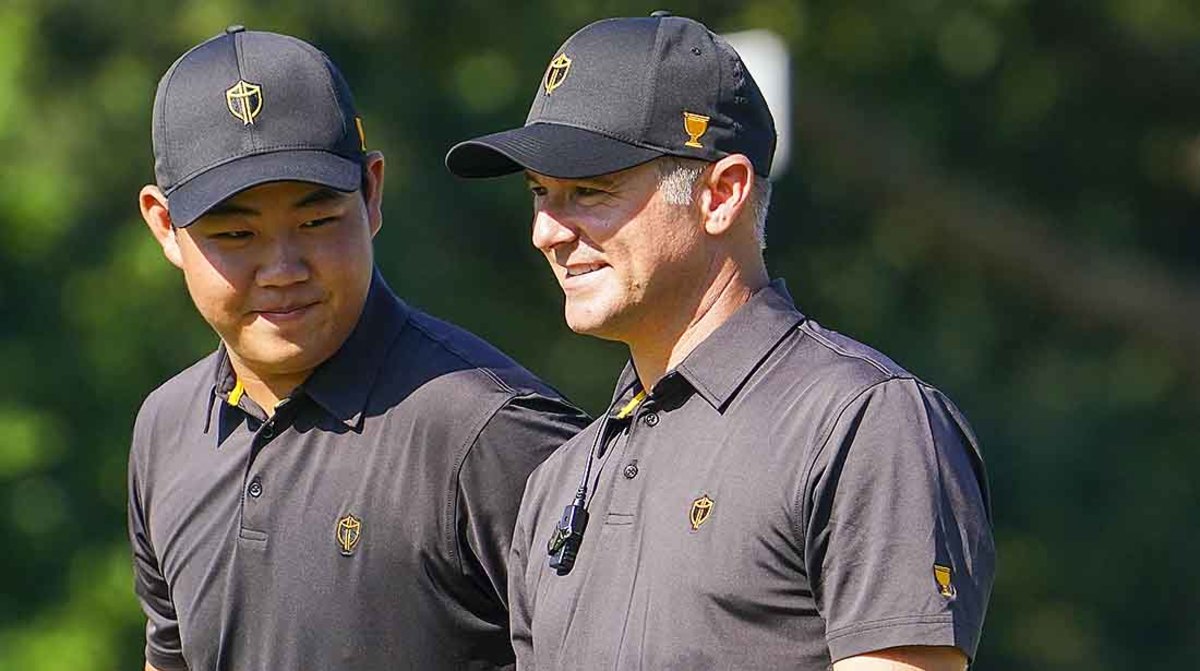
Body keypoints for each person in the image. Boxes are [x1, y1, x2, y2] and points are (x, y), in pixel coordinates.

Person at [445, 12, 995, 671]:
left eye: (589, 190)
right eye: (540, 193)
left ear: (722, 193)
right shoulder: (559, 480)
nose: (548, 232)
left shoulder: (863, 422)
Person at [129, 26, 588, 670]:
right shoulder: (165, 428)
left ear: (371, 193)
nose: (282, 268)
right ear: (163, 226)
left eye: (317, 222)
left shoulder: (493, 433)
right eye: (236, 234)